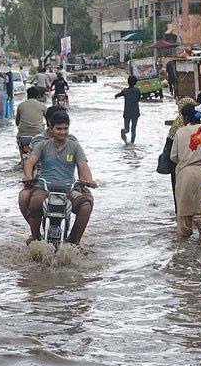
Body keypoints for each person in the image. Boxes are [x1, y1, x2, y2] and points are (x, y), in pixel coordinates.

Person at [21, 111, 97, 245]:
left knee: (86, 205)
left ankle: (73, 242)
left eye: (65, 128)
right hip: (44, 188)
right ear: (51, 129)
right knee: (35, 203)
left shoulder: (75, 146)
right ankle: (35, 237)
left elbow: (83, 165)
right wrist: (28, 176)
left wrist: (89, 180)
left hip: (69, 189)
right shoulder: (42, 145)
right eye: (59, 129)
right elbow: (30, 162)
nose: (62, 132)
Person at [170, 103, 201, 242]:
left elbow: (173, 156)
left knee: (184, 209)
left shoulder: (180, 132)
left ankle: (184, 243)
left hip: (185, 173)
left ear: (185, 117)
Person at [166, 97, 197, 213]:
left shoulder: (176, 127)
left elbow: (171, 152)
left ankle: (179, 212)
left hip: (179, 167)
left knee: (179, 194)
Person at [114, 76, 141, 145]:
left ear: (128, 82)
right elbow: (138, 99)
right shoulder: (137, 90)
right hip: (135, 112)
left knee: (127, 129)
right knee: (133, 129)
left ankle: (123, 132)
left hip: (127, 112)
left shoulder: (125, 91)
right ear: (135, 83)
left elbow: (118, 95)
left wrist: (116, 96)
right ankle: (132, 144)